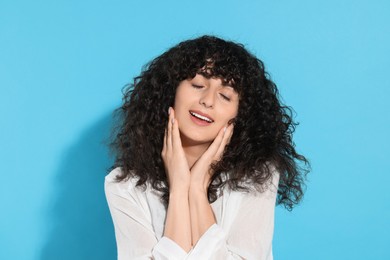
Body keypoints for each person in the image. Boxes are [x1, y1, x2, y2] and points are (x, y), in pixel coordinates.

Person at [105, 35, 309, 260]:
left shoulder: (258, 175)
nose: (208, 101)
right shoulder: (123, 185)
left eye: (225, 95)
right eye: (198, 85)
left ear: (241, 115)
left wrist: (197, 189)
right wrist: (179, 189)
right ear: (171, 91)